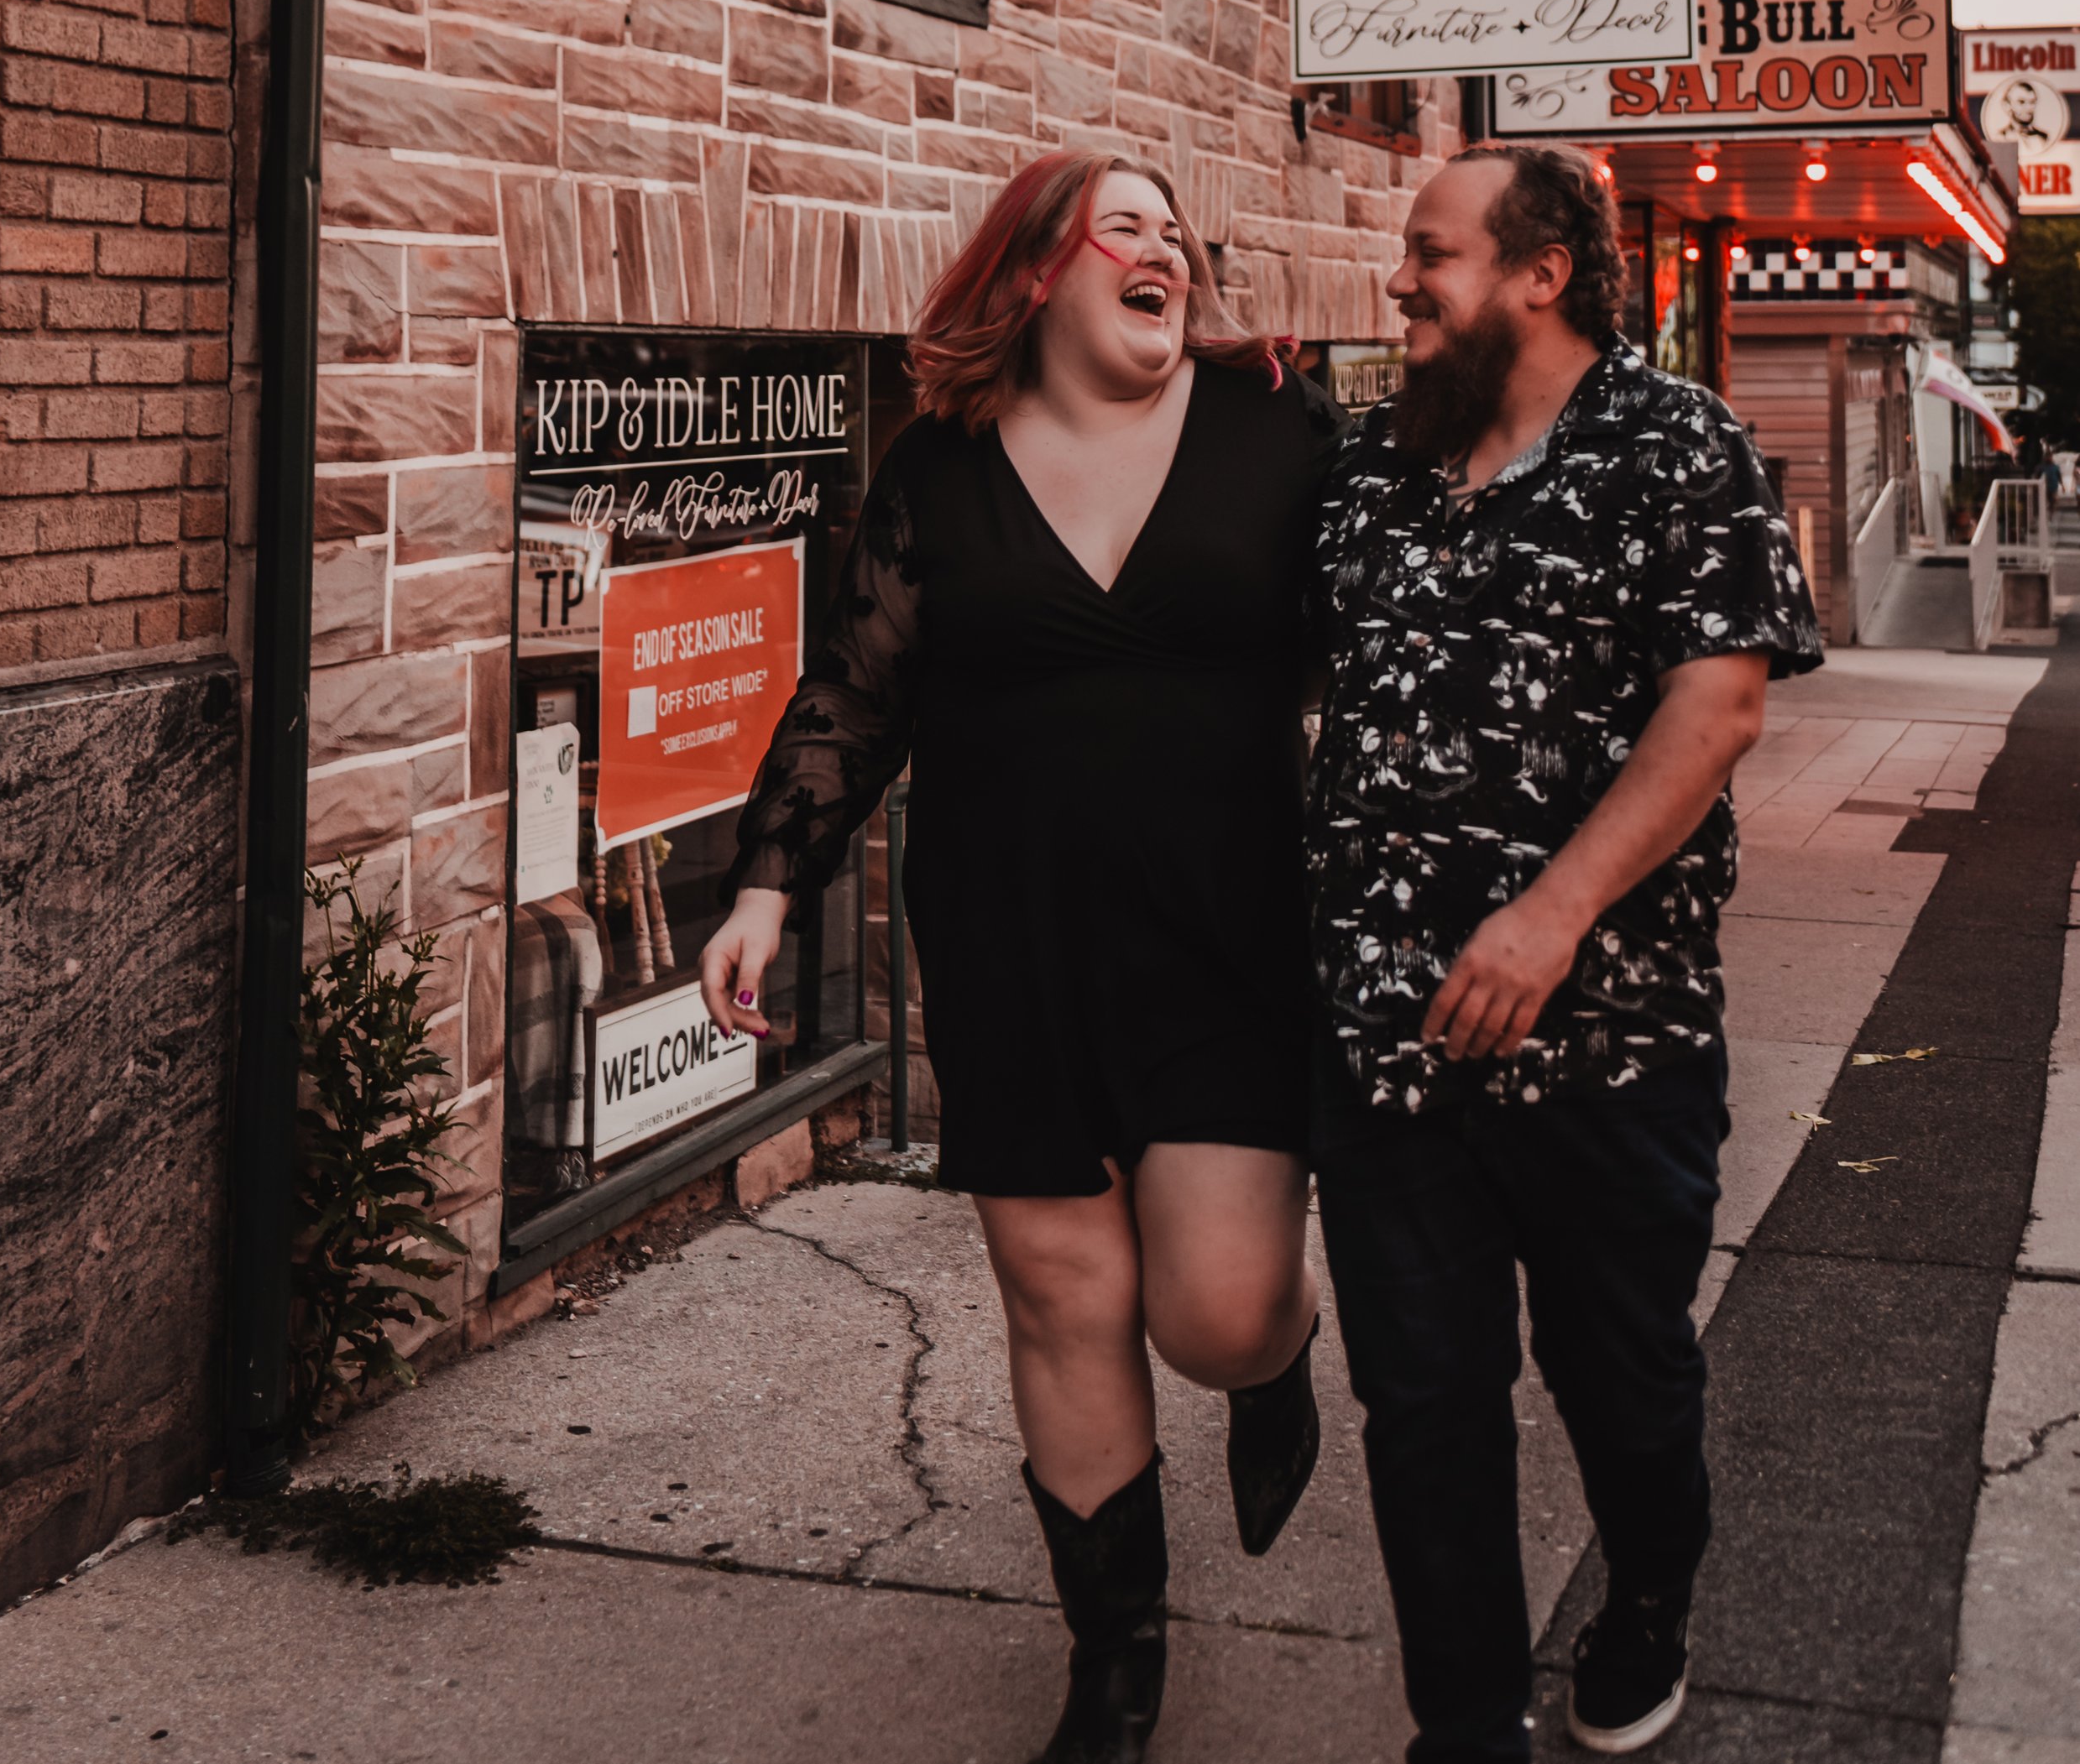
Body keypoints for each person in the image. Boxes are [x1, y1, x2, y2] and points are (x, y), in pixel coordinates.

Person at [701, 150, 1342, 1764]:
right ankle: (1114, 1668)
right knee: (1064, 1299)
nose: (1163, 248)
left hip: (1228, 941)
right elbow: (855, 689)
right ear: (1037, 268)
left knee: (1212, 1304)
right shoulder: (941, 464)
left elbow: (1392, 654)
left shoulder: (1280, 432)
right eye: (1122, 224)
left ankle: (1279, 1363)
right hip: (1011, 947)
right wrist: (772, 884)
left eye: (1175, 230)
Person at [1308, 144, 1821, 1761]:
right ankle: (1464, 1723)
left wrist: (1552, 909)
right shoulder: (1383, 463)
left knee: (1622, 1378)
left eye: (1430, 253)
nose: (1402, 282)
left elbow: (1718, 702)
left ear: (1541, 272)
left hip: (1612, 1041)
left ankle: (1648, 1598)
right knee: (1425, 1408)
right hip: (1389, 1042)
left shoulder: (1680, 444)